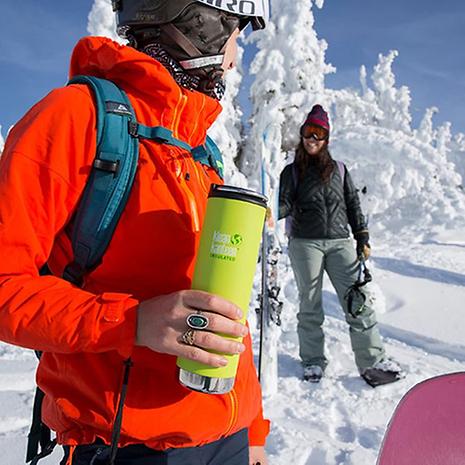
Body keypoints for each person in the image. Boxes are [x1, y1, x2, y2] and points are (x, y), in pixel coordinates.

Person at [0, 1, 270, 464]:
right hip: (125, 444)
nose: (232, 59)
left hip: (225, 442)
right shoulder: (74, 118)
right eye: (234, 36)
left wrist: (252, 428)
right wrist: (133, 322)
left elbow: (221, 311)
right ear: (200, 22)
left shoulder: (199, 151)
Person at [278, 104, 401, 387]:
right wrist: (272, 210)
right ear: (302, 134)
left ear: (326, 138)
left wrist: (362, 236)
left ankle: (372, 361)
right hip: (305, 243)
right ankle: (312, 361)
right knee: (310, 304)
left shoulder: (340, 170)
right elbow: (283, 203)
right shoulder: (291, 172)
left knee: (358, 301)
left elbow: (353, 204)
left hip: (340, 242)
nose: (313, 138)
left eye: (319, 133)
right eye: (309, 132)